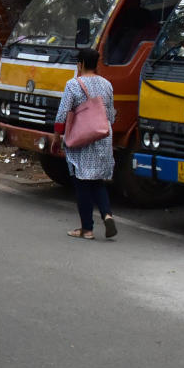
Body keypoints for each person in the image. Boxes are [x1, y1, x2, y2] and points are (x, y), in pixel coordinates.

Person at [54, 46, 117, 240]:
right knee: (97, 181)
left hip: (82, 138)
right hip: (103, 136)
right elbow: (111, 114)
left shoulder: (73, 84)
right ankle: (107, 214)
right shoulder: (107, 84)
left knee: (82, 183)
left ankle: (87, 229)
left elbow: (63, 113)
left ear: (80, 64)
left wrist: (57, 137)